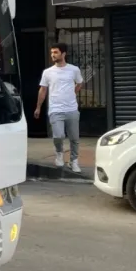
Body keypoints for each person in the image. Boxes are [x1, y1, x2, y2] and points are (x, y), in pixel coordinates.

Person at [34, 42, 84, 173]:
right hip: (55, 109)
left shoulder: (74, 70)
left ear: (63, 54)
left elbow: (80, 83)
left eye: (55, 52)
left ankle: (74, 161)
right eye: (51, 53)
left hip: (72, 109)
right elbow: (43, 90)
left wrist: (72, 92)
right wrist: (38, 107)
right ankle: (59, 154)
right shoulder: (48, 72)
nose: (53, 55)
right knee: (58, 135)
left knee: (74, 138)